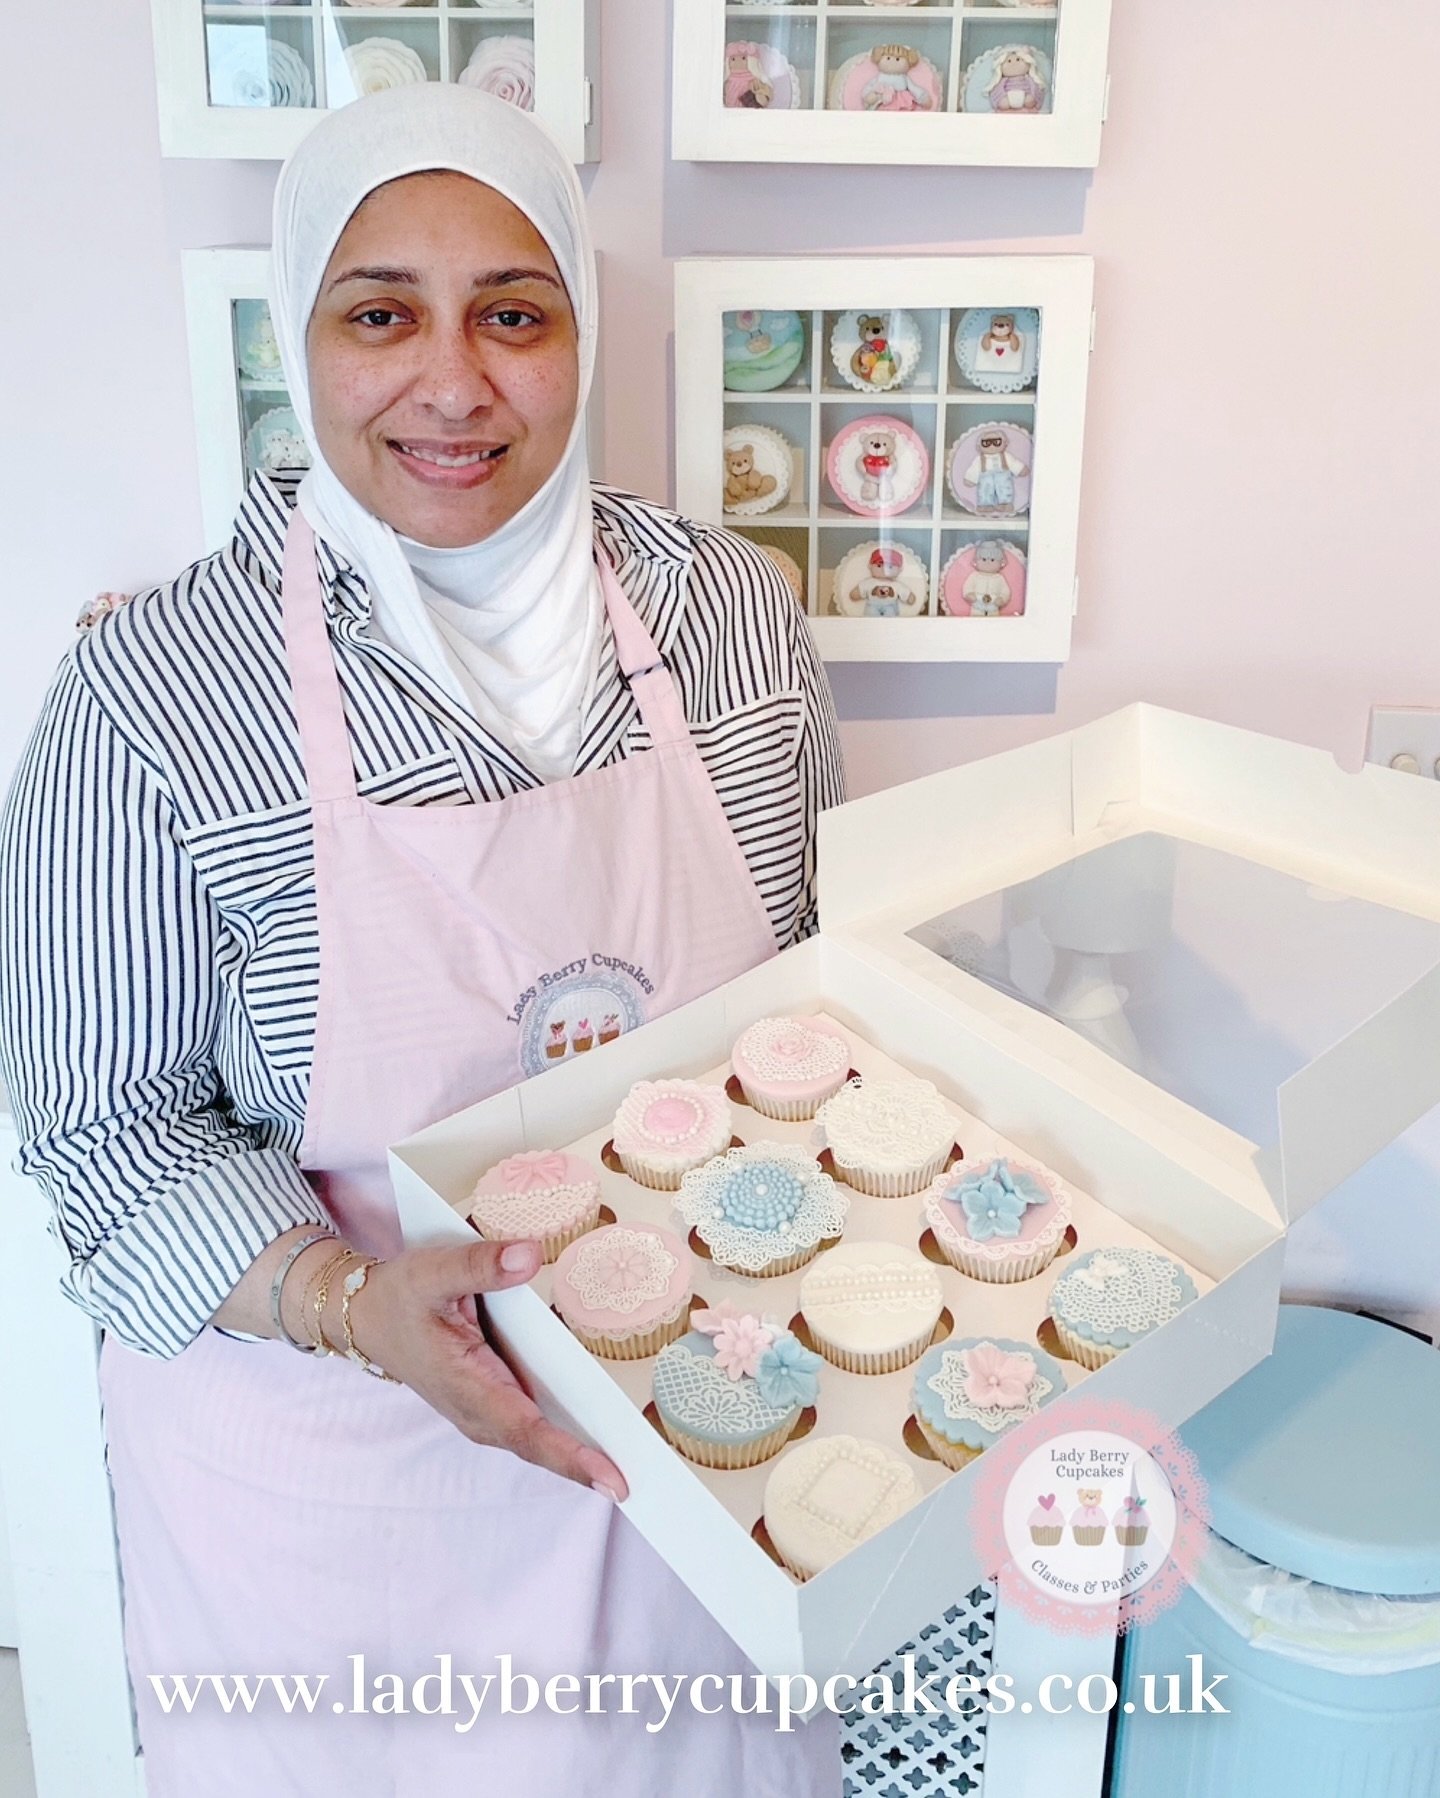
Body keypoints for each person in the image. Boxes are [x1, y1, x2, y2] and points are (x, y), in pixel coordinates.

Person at [0, 84, 845, 1795]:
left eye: (513, 314)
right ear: (301, 330)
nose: (455, 384)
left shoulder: (734, 618)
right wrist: (348, 1294)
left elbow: (814, 1001)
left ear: (580, 333)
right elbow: (104, 1128)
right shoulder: (157, 693)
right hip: (348, 1498)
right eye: (381, 311)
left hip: (699, 1444)